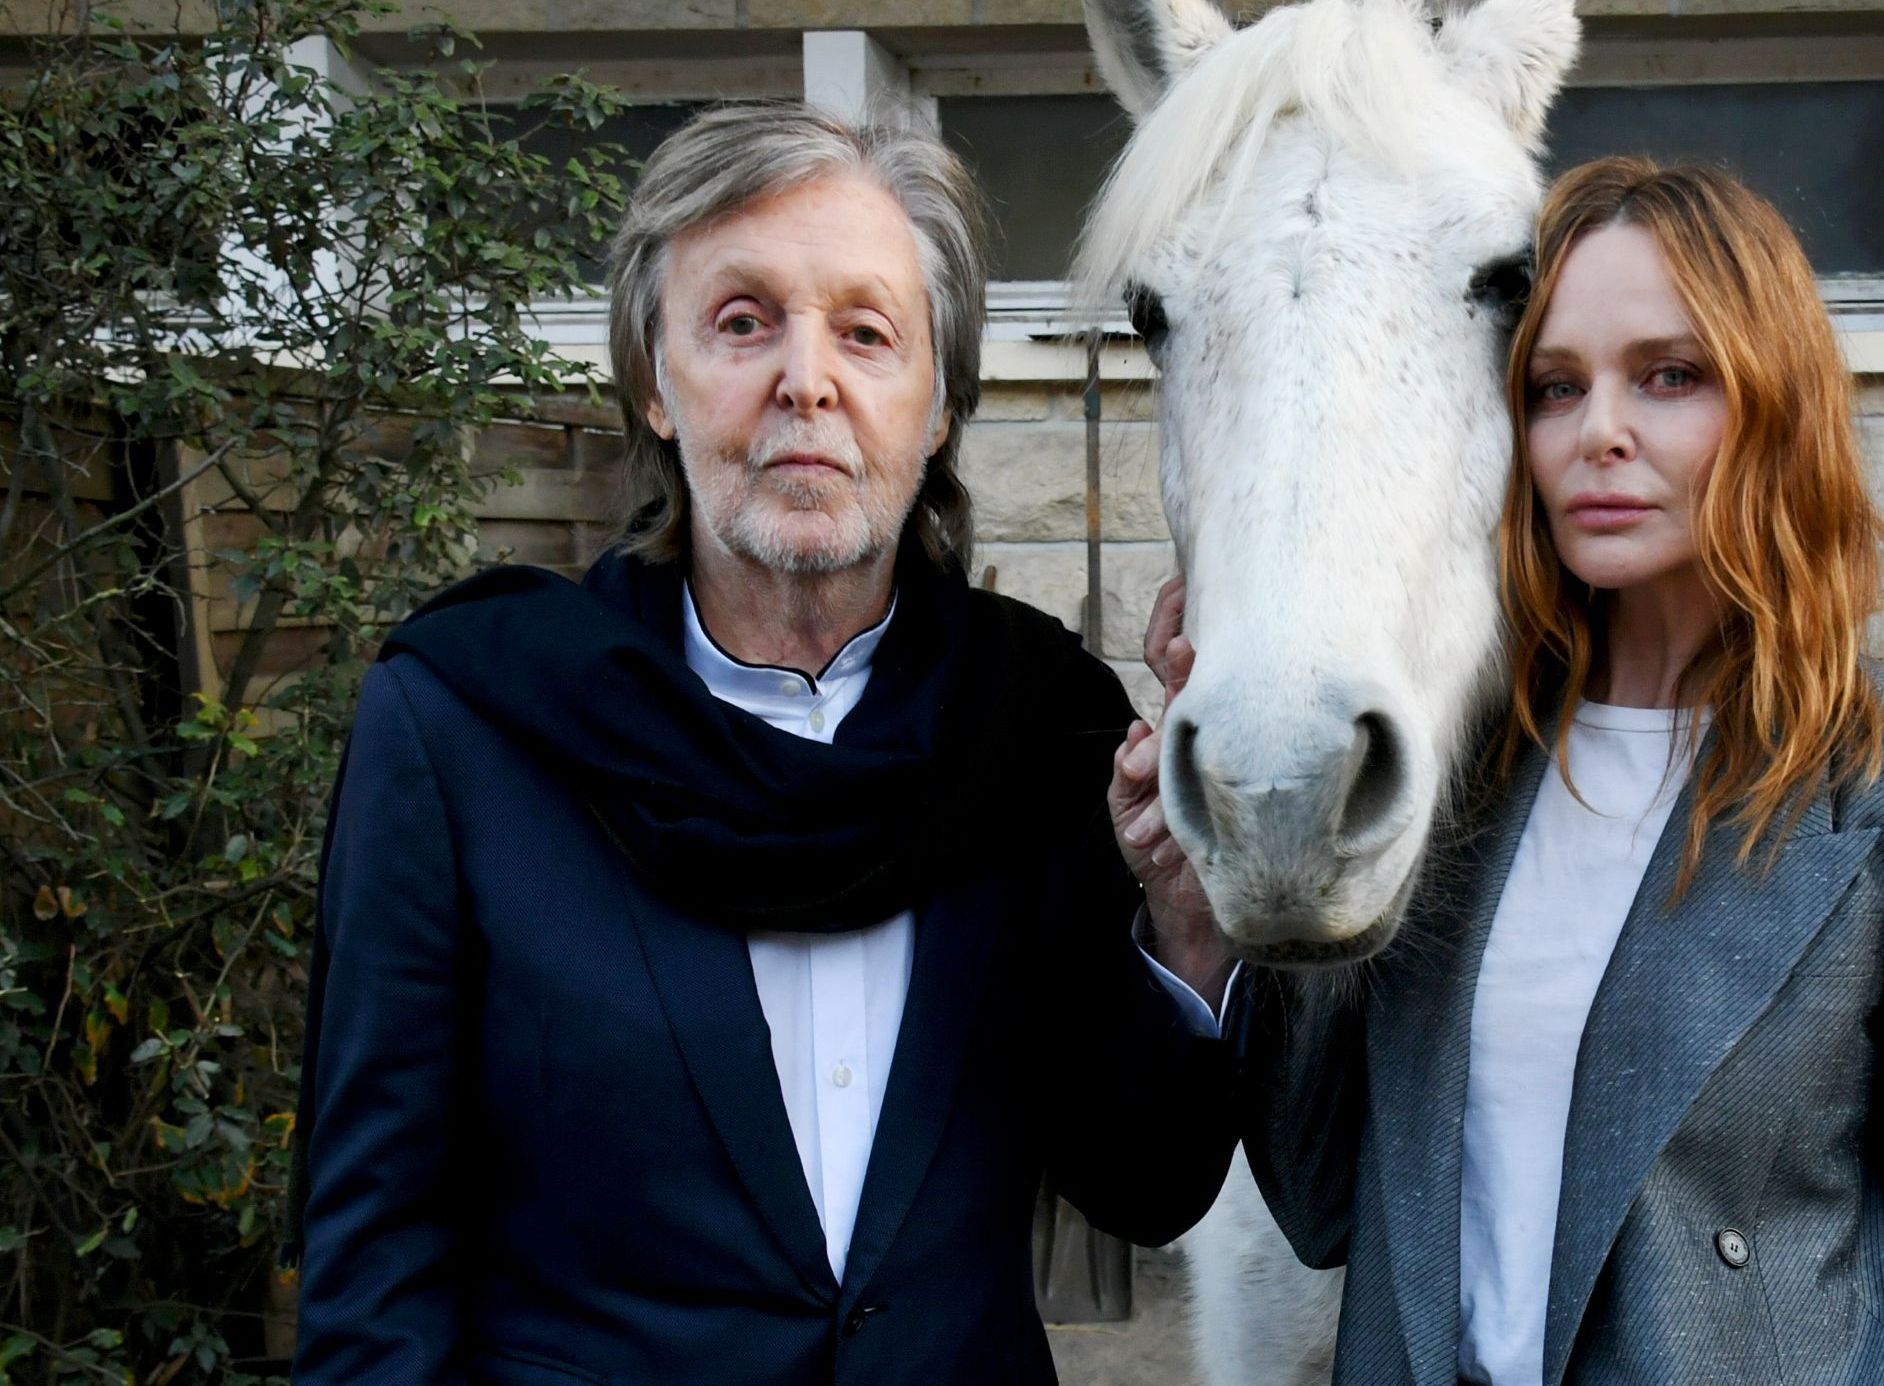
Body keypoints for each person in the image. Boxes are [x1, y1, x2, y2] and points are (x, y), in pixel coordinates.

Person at [294, 101, 1236, 1385]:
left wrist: (1188, 926)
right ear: (655, 384)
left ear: (937, 406)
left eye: (866, 331)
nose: (808, 378)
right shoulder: (465, 725)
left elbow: (1146, 1180)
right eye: (742, 322)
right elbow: (375, 1271)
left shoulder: (1032, 724)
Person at [1119, 157, 1884, 1384]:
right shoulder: (1455, 781)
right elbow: (1314, 1201)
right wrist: (1247, 853)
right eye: (1556, 386)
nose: (1599, 431)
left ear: (1772, 402)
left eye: (1668, 376)